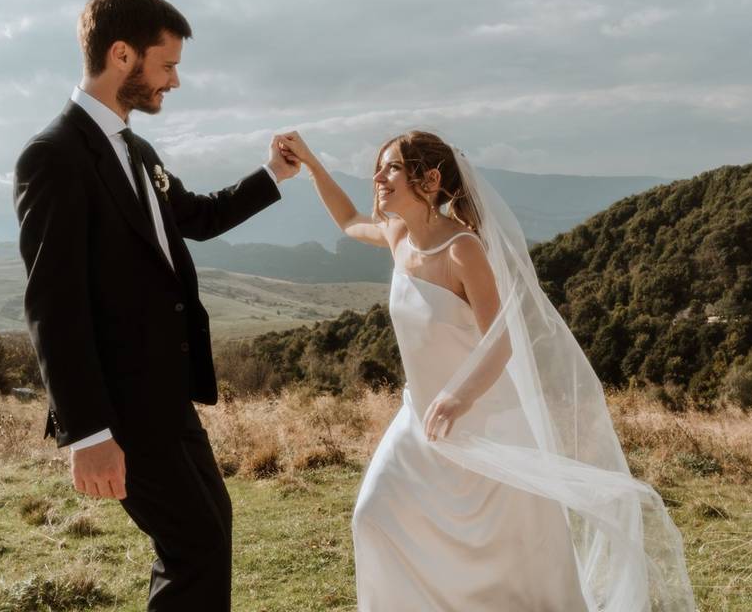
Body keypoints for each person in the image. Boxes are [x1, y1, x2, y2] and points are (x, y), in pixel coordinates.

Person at [276, 129, 697, 611]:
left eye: (391, 167)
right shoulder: (398, 236)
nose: (378, 176)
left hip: (482, 428)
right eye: (382, 166)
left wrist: (460, 397)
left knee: (507, 561)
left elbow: (502, 341)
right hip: (418, 422)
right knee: (372, 515)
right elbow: (349, 218)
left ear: (429, 180)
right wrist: (309, 162)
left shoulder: (463, 250)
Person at [13, 0, 298, 610]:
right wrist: (87, 434)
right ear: (122, 55)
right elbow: (52, 307)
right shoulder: (54, 156)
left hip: (167, 393)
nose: (173, 81)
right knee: (194, 542)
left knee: (210, 529)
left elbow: (196, 216)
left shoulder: (135, 149)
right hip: (119, 406)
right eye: (166, 64)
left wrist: (272, 174)